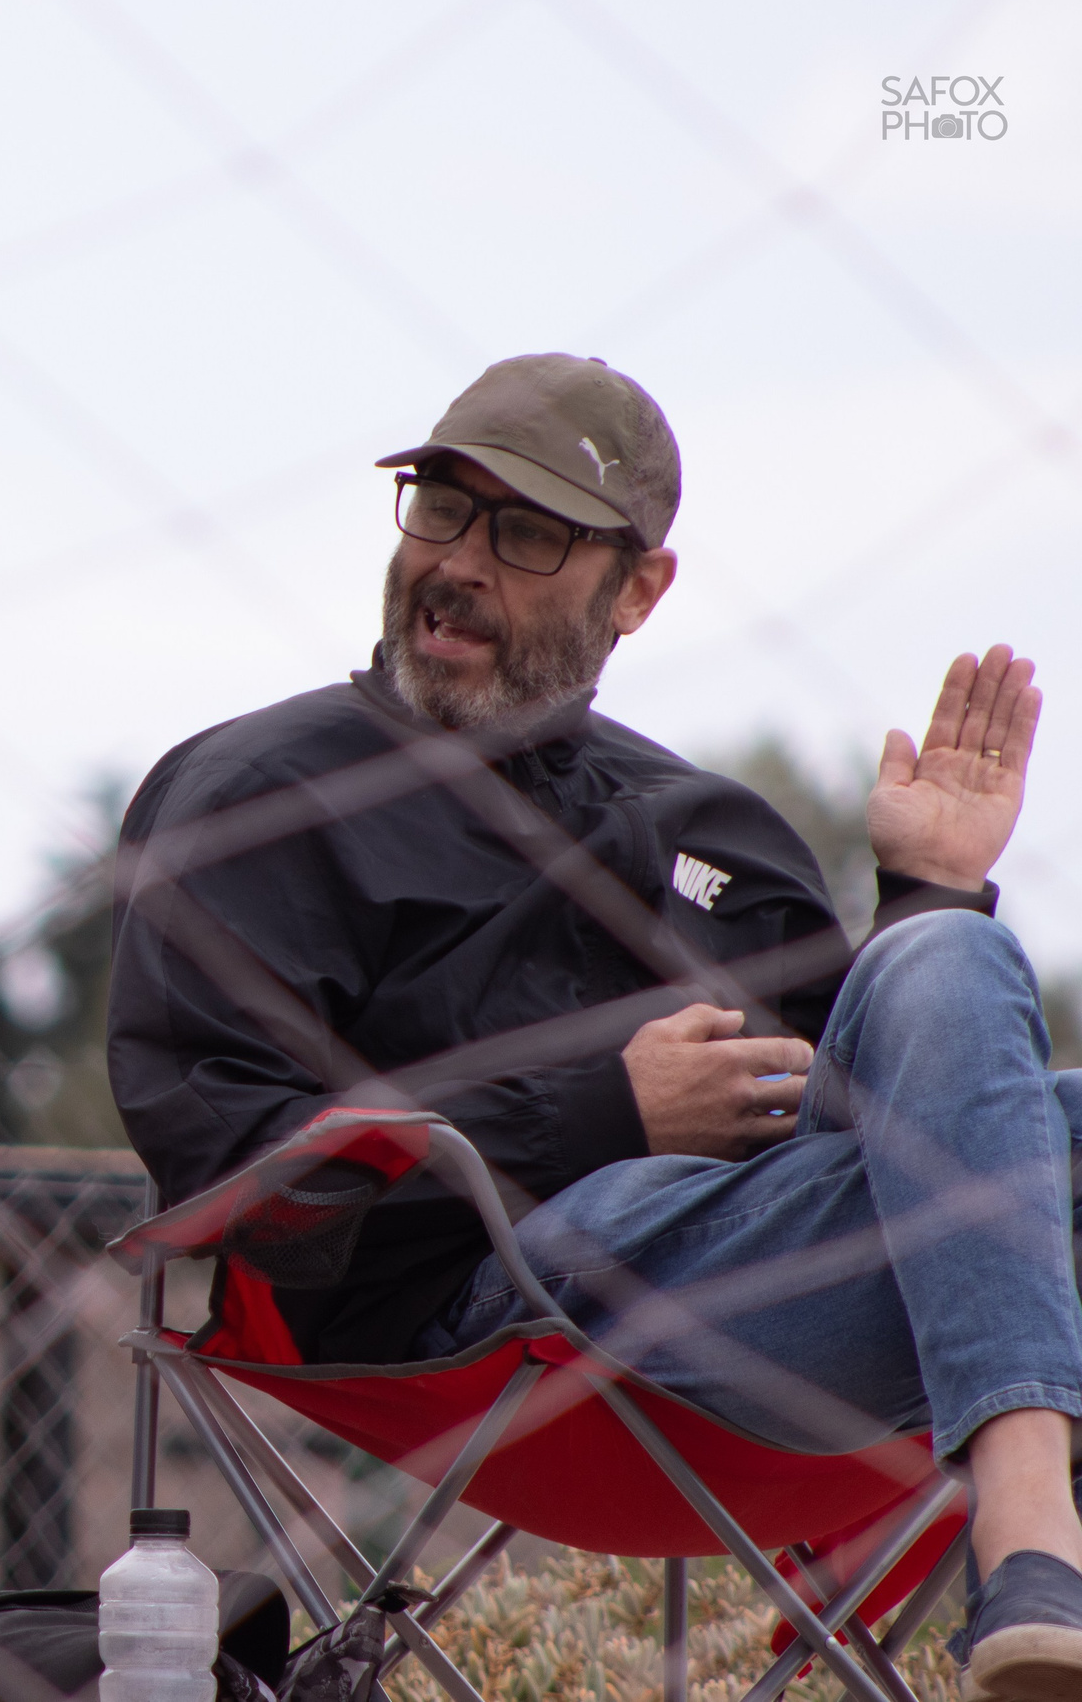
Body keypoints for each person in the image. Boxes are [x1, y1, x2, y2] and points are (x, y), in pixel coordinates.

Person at [106, 353, 1082, 1699]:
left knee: (947, 954)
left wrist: (926, 888)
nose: (458, 563)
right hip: (502, 1327)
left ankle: (1033, 1538)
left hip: (831, 1291)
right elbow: (221, 1154)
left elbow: (896, 1122)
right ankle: (1032, 1532)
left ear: (639, 585)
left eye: (526, 533)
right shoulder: (263, 793)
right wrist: (598, 1110)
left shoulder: (713, 831)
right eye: (439, 507)